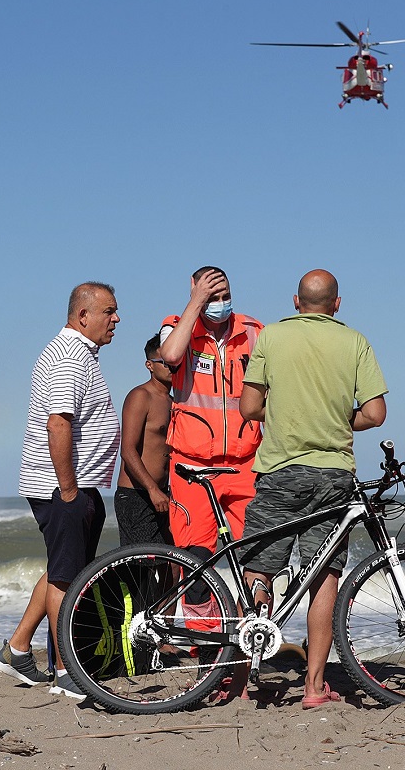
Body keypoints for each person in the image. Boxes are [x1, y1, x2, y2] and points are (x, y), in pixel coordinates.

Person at [237, 270, 388, 708]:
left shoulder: (271, 337)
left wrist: (286, 416)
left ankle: (245, 681)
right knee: (324, 575)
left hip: (280, 470)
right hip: (333, 473)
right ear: (337, 304)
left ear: (296, 301)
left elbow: (249, 406)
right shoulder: (355, 342)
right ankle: (315, 687)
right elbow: (375, 413)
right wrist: (338, 420)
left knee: (259, 567)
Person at [0, 282, 121, 701]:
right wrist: (68, 489)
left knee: (63, 569)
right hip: (62, 486)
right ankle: (66, 670)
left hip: (73, 484)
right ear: (83, 316)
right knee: (67, 576)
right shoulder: (68, 357)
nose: (116, 320)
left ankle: (16, 649)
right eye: (109, 312)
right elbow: (58, 423)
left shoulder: (80, 354)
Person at [159, 267, 262, 628]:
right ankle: (207, 660)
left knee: (257, 562)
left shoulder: (254, 331)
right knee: (197, 567)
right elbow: (171, 356)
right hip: (192, 467)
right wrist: (196, 303)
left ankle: (246, 653)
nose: (220, 304)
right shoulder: (177, 325)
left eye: (224, 295)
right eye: (211, 296)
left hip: (246, 463)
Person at [114, 334, 173, 547]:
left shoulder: (174, 402)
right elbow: (128, 450)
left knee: (174, 566)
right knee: (143, 569)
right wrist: (152, 489)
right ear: (149, 365)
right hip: (137, 494)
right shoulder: (141, 396)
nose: (170, 367)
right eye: (164, 362)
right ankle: (98, 579)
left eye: (174, 361)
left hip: (163, 495)